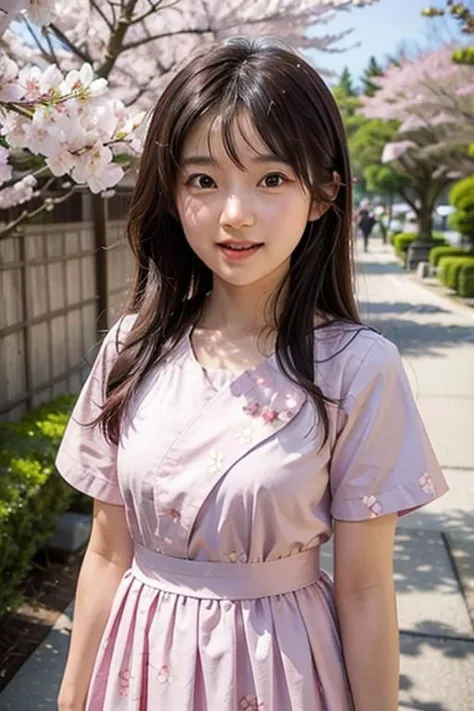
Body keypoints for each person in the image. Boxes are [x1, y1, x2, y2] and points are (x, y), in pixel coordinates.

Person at [55, 37, 448, 711]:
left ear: (323, 194)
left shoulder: (358, 367)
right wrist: (70, 697)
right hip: (137, 672)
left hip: (283, 673)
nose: (234, 213)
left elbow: (363, 588)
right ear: (173, 195)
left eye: (270, 179)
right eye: (204, 180)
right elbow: (107, 553)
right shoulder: (131, 347)